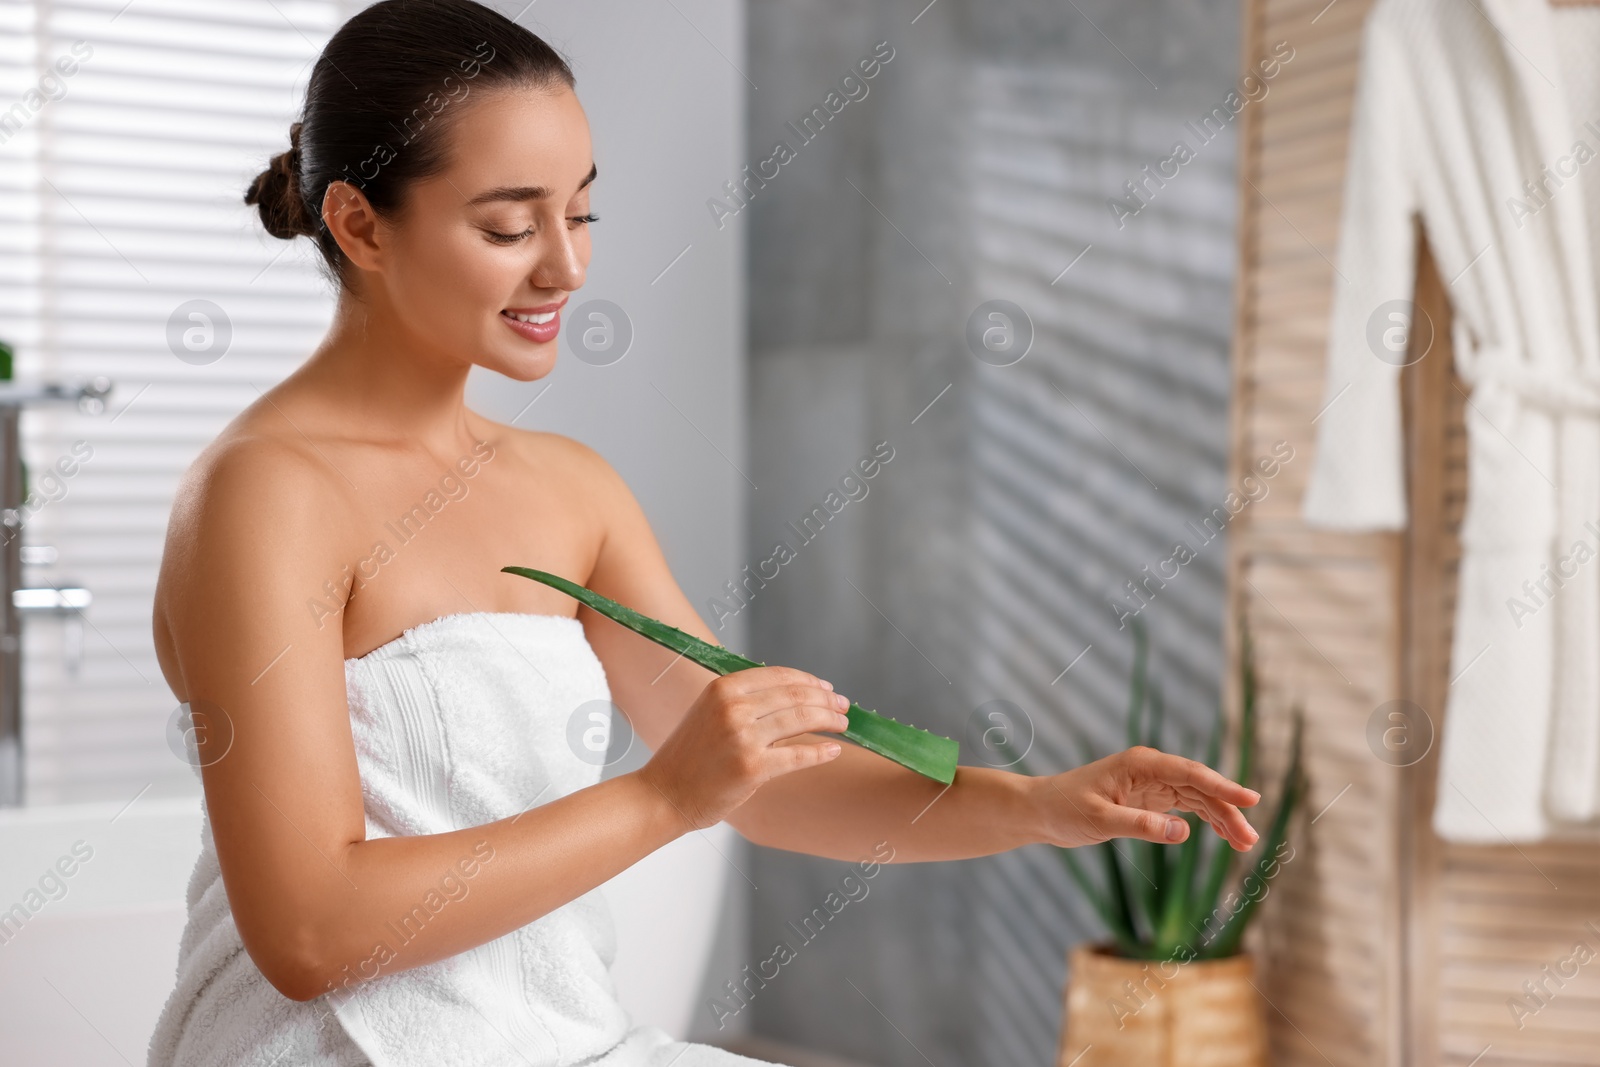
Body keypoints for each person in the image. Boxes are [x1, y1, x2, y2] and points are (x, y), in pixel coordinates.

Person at [145, 2, 1261, 1064]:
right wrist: (663, 795)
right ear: (356, 222)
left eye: (580, 212)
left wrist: (1036, 804)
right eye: (506, 224)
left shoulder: (569, 489)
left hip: (556, 1038)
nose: (565, 265)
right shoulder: (264, 494)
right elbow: (305, 928)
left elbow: (766, 785)